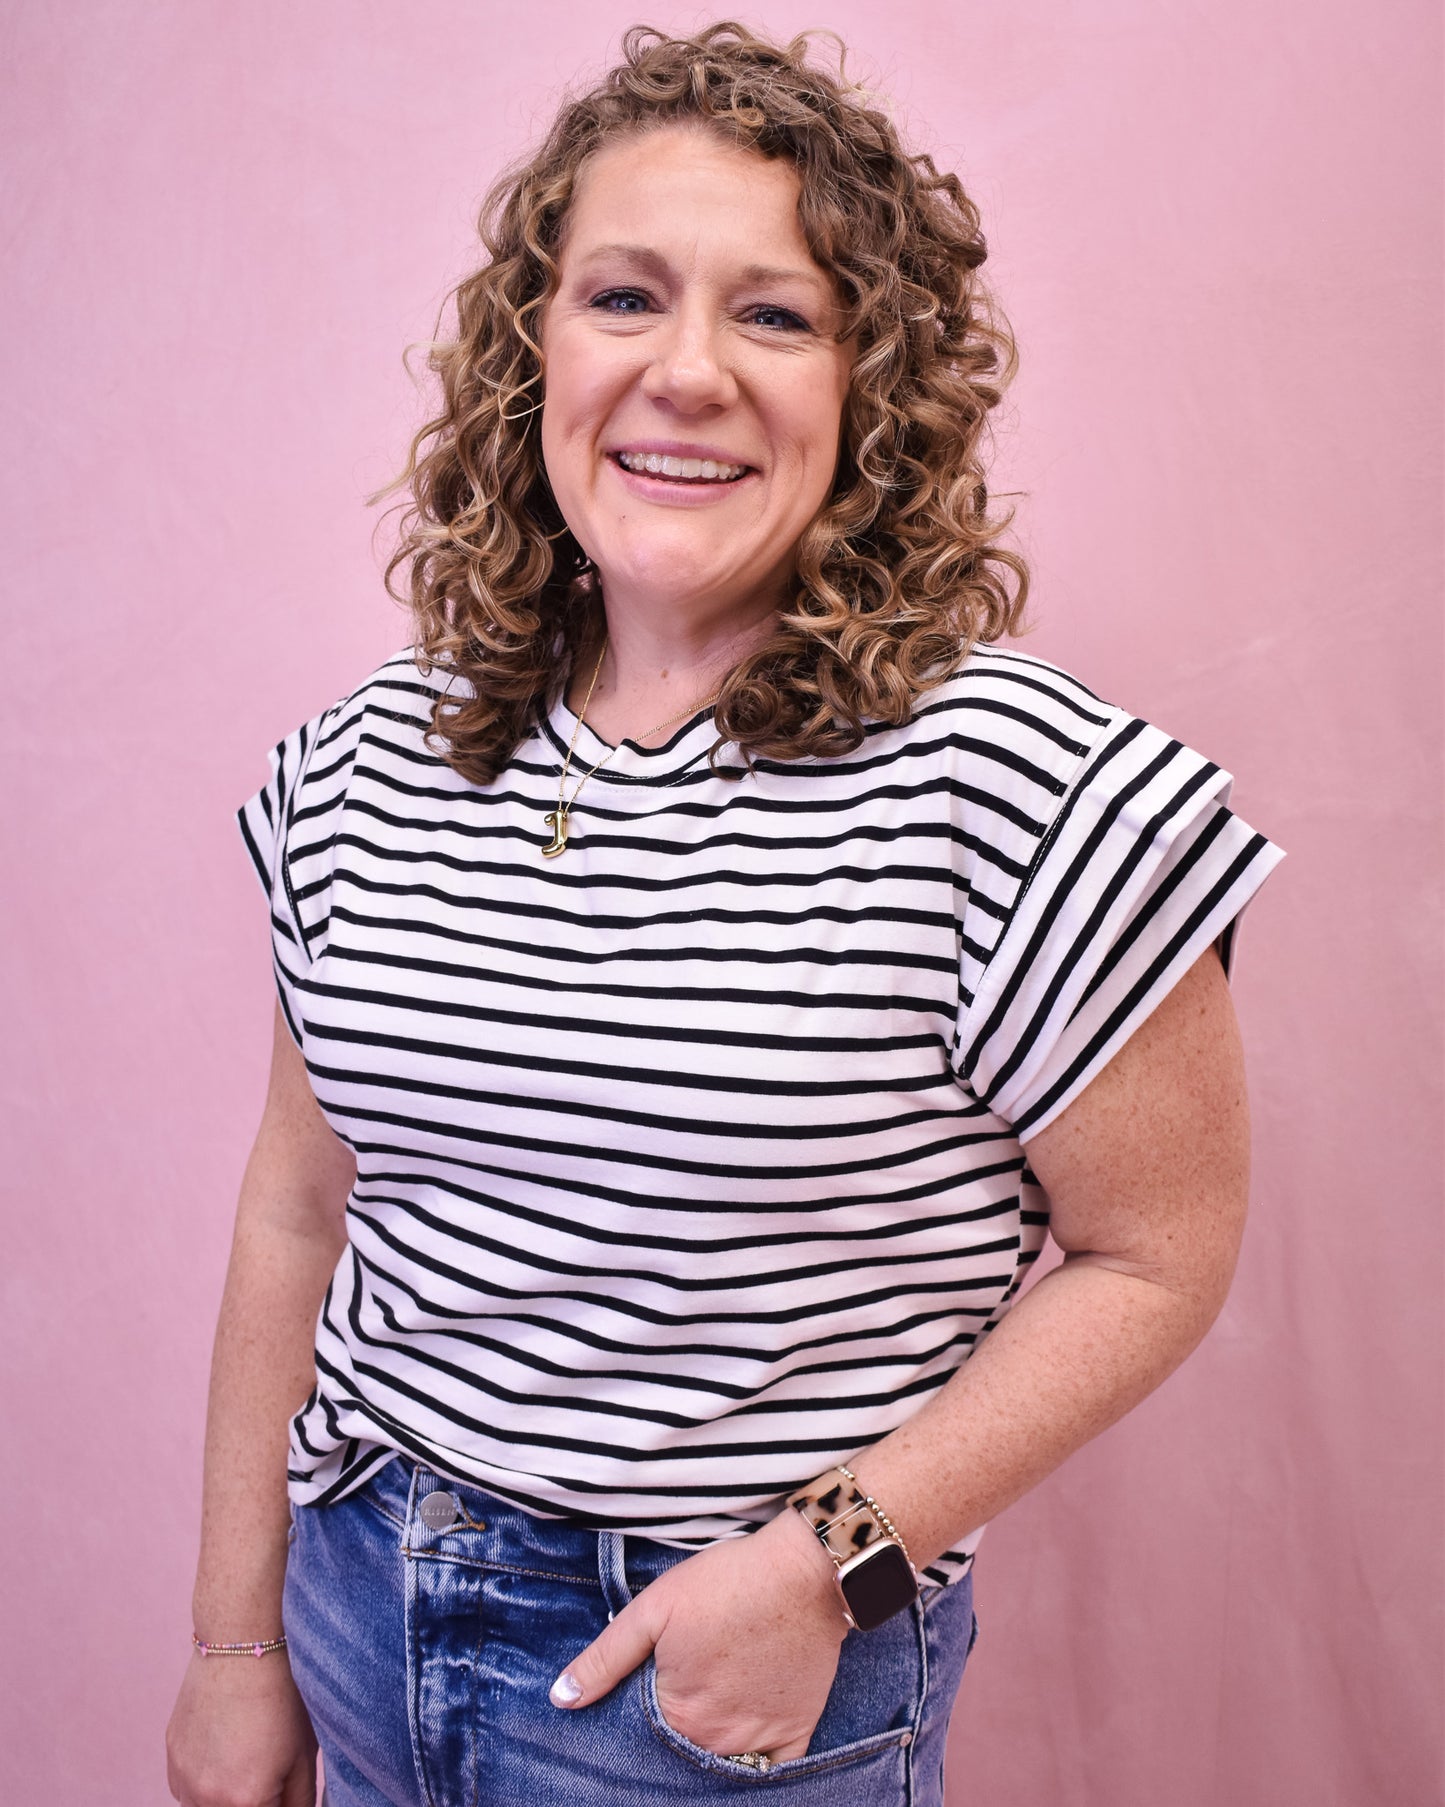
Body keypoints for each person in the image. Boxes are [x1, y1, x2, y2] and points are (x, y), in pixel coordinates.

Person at [165, 22, 1283, 1807]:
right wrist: (235, 1643)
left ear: (871, 387)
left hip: (720, 1688)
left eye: (773, 315)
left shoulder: (1026, 787)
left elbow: (1157, 1255)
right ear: (531, 350)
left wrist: (821, 1567)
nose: (685, 372)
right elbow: (301, 1207)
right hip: (358, 1609)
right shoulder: (366, 759)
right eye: (623, 297)